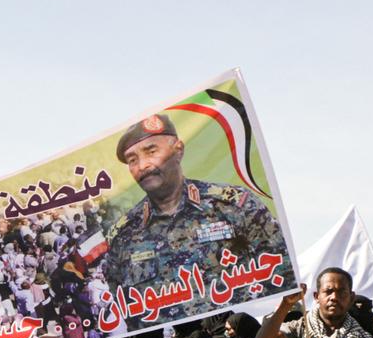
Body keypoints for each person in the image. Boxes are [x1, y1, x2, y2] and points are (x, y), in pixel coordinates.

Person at [103, 113, 292, 326]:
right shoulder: (123, 235)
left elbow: (283, 275)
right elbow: (122, 309)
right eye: (132, 160)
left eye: (151, 151)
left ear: (178, 149)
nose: (142, 165)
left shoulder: (235, 206)